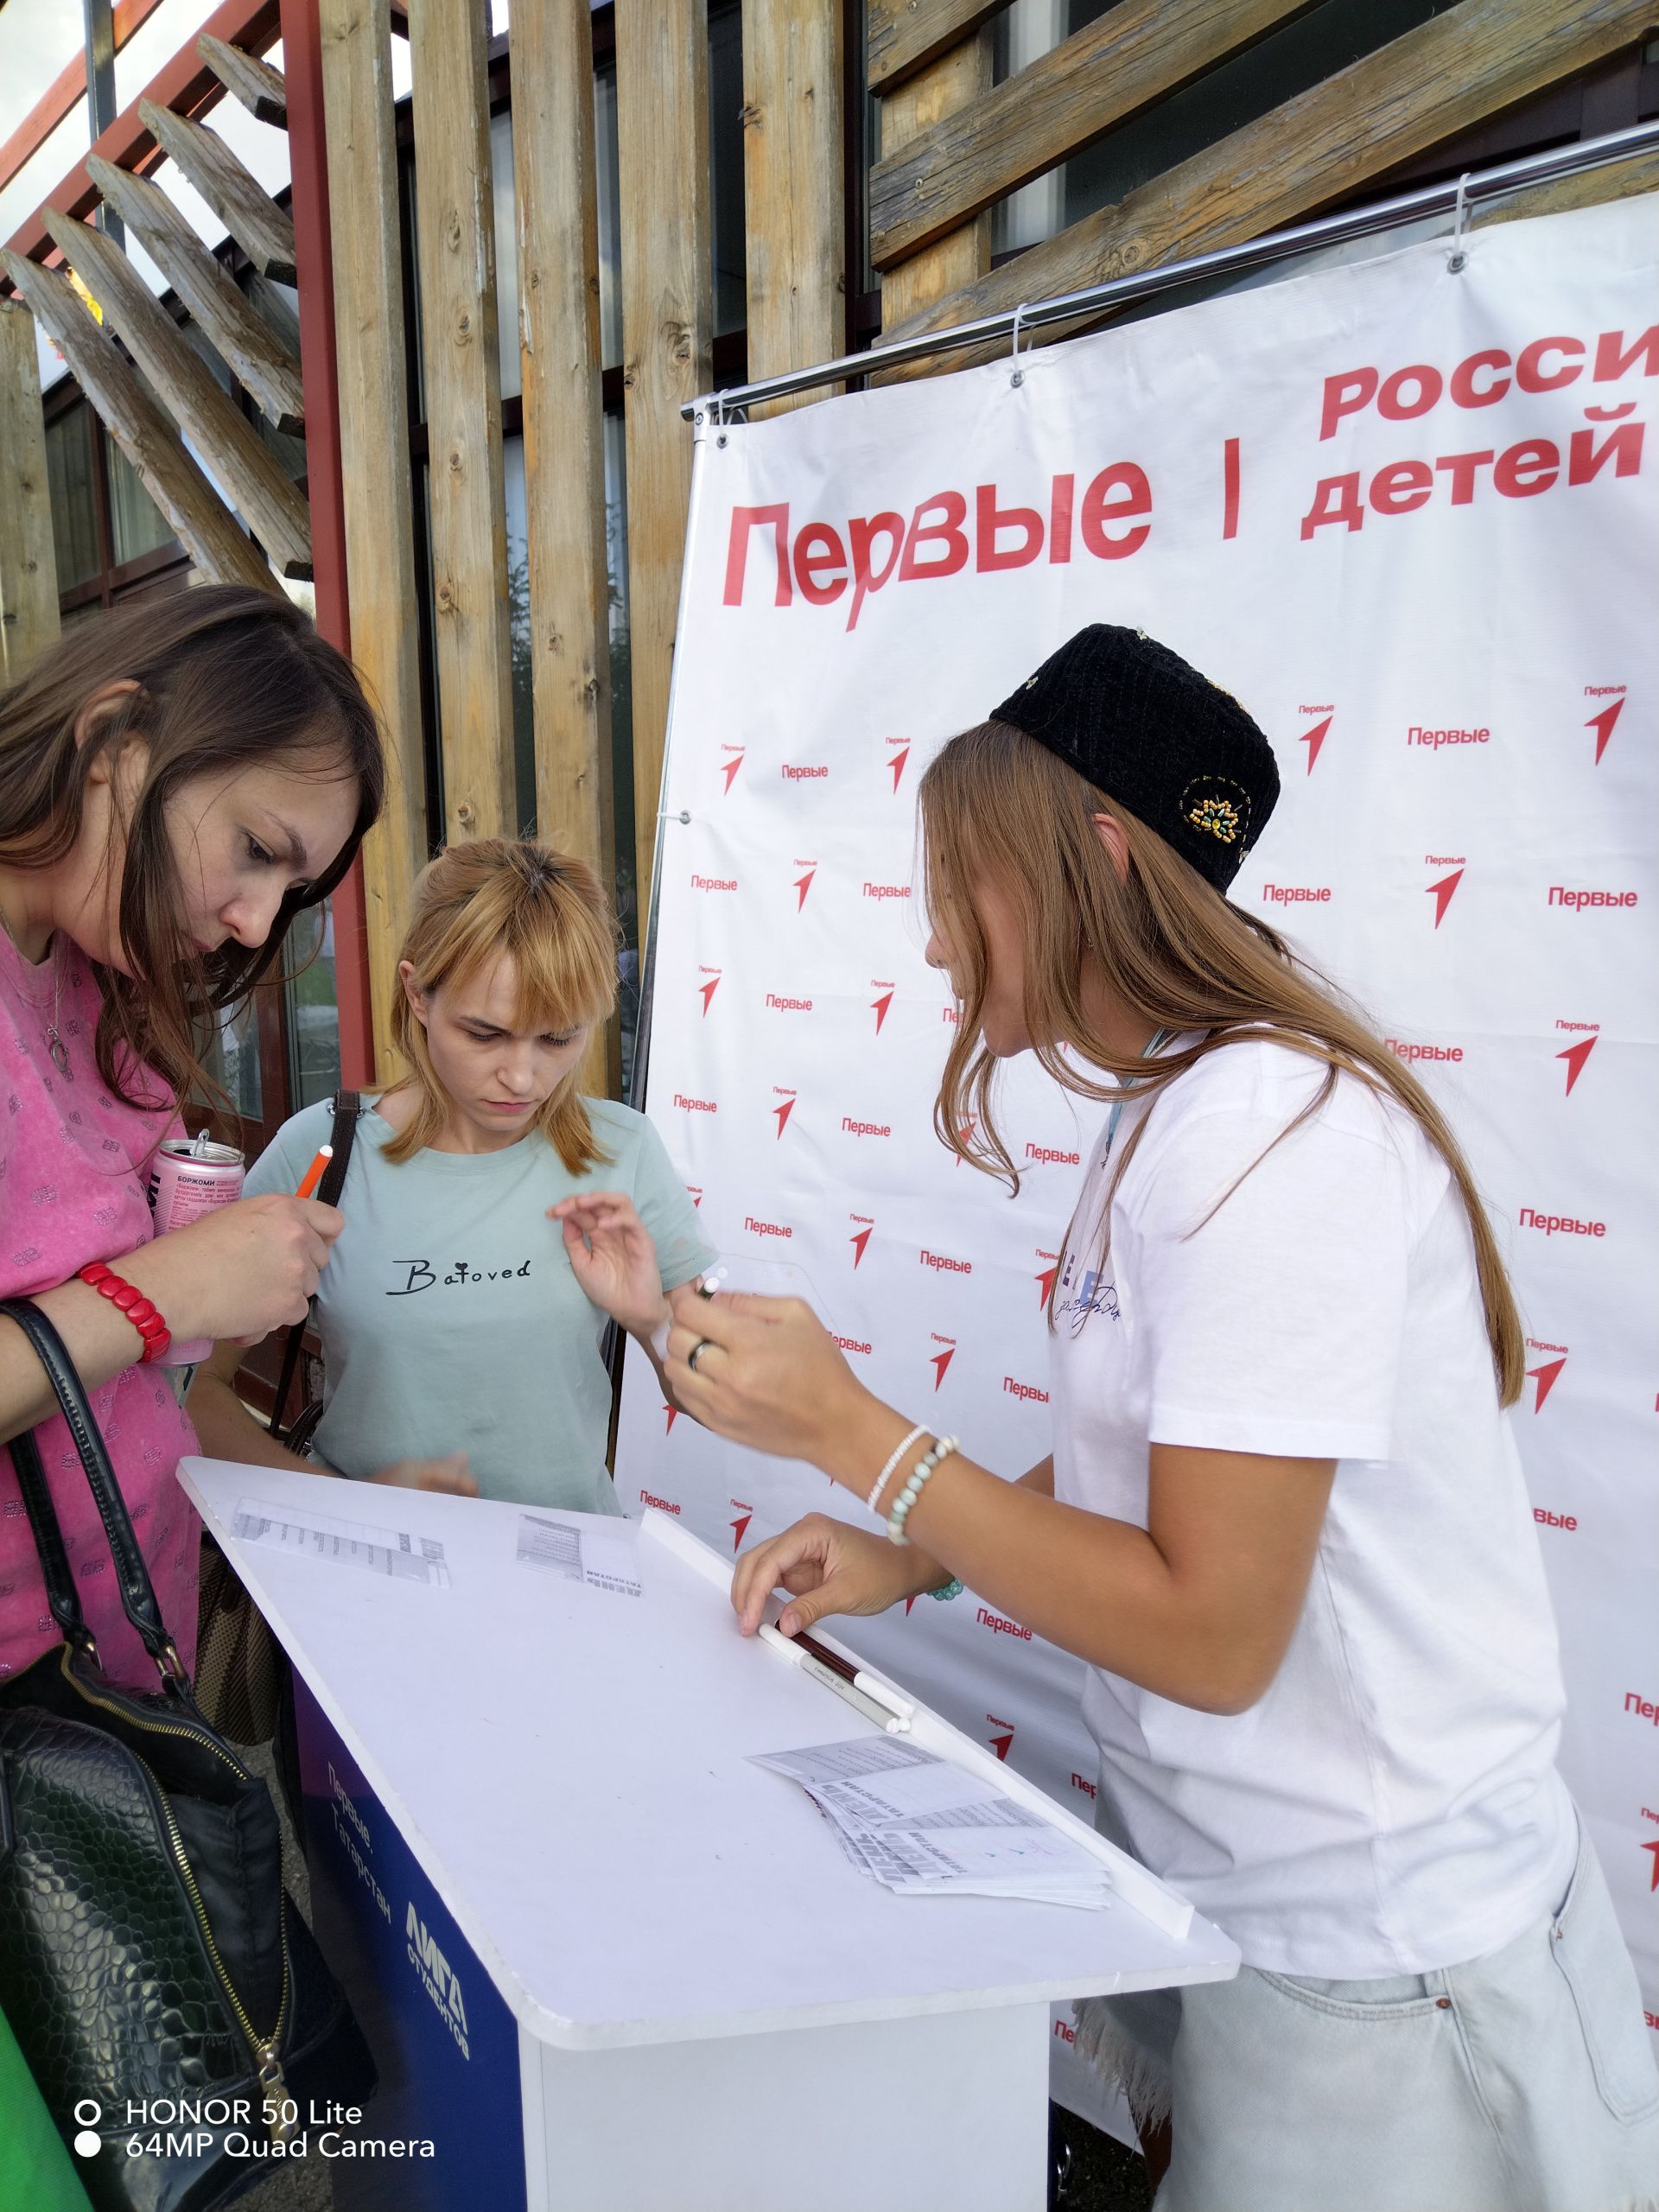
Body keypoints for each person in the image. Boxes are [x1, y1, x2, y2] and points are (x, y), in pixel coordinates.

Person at [664, 626, 1659, 2211]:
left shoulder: (1276, 1139)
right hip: (1246, 1915)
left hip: (1383, 1974)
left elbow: (1213, 1632)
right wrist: (906, 1558)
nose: (933, 944)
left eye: (957, 882)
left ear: (1100, 862)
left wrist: (855, 1431)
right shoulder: (1182, 1111)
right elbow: (1167, 1456)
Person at [0, 584, 385, 1691]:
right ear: (115, 740)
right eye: (257, 848)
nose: (259, 924)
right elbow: (140, 1302)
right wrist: (160, 1290)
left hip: (124, 1657)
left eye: (293, 888)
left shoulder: (94, 969)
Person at [188, 838, 714, 1512]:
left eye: (558, 1038)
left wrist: (650, 1322)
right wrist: (345, 1505)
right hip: (365, 1575)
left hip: (567, 1574)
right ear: (417, 994)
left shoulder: (623, 1150)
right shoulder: (321, 1152)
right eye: (485, 1033)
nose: (523, 1077)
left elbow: (709, 1403)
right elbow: (198, 1390)